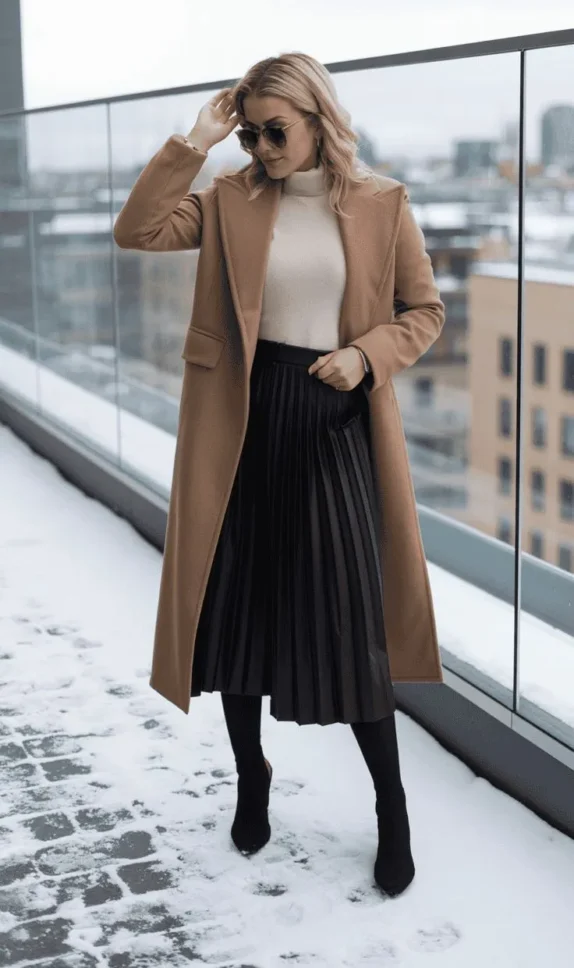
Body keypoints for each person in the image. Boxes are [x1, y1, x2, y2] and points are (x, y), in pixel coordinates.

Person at [113, 51, 445, 899]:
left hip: (333, 422)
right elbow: (139, 230)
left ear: (317, 118)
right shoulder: (229, 200)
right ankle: (250, 776)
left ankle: (394, 808)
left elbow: (424, 312)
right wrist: (195, 142)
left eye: (276, 130)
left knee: (350, 624)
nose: (261, 146)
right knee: (239, 619)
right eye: (251, 131)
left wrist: (365, 357)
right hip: (244, 423)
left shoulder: (381, 203)